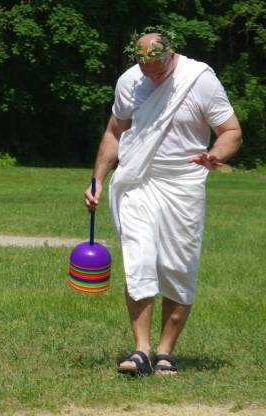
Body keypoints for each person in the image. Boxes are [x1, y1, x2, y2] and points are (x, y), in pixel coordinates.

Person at [84, 27, 242, 375]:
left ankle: (165, 352)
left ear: (172, 54)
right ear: (137, 61)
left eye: (159, 68)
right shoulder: (130, 81)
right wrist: (97, 179)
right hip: (137, 180)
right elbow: (114, 132)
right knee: (139, 260)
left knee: (178, 267)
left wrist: (215, 154)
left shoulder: (199, 79)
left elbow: (231, 131)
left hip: (182, 183)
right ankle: (140, 350)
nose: (153, 75)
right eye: (147, 69)